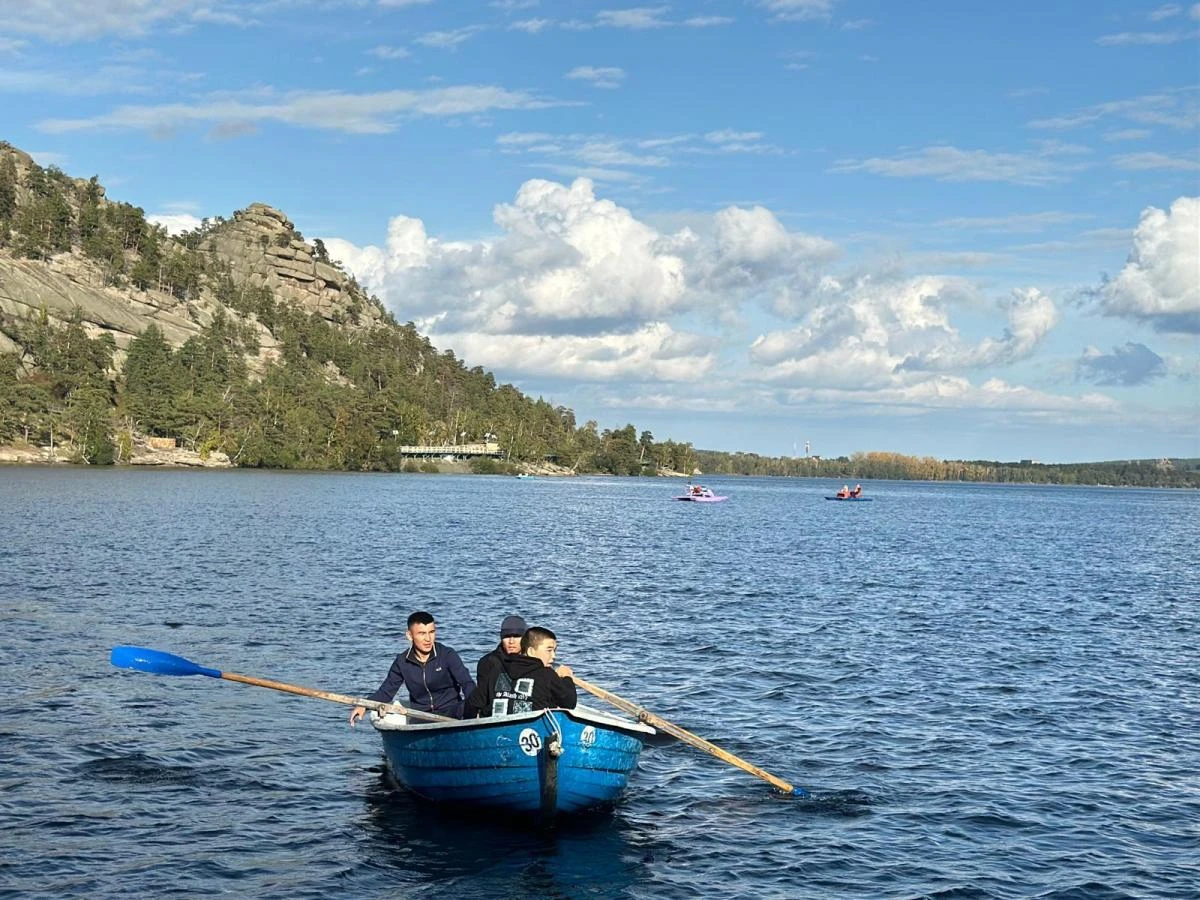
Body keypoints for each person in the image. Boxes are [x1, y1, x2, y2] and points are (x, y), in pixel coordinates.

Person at [349, 610, 475, 725]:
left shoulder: (447, 655)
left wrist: (476, 704)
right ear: (409, 635)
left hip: (451, 711)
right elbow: (386, 692)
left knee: (469, 706)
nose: (428, 639)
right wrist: (364, 705)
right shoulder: (402, 662)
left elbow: (467, 683)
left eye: (431, 632)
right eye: (421, 633)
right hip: (421, 716)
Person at [463, 626, 577, 718]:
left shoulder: (495, 669)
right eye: (549, 650)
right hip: (531, 733)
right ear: (531, 651)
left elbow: (472, 704)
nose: (553, 656)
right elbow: (569, 702)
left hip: (495, 731)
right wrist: (567, 677)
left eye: (554, 651)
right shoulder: (547, 674)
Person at [476, 614, 527, 687]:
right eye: (506, 636)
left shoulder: (534, 662)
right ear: (501, 637)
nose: (511, 641)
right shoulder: (488, 662)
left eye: (516, 636)